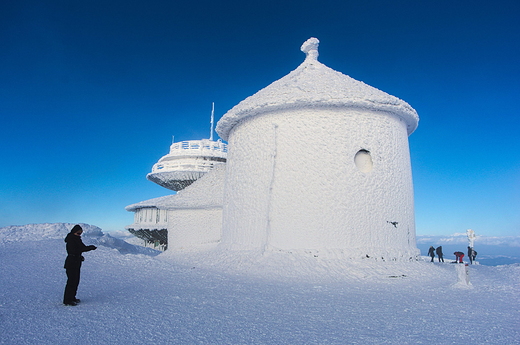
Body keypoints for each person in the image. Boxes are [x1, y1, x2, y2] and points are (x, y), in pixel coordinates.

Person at [63, 225, 97, 306]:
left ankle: (72, 297)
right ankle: (67, 300)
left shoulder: (77, 239)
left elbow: (81, 249)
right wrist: (90, 248)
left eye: (80, 233)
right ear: (74, 232)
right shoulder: (71, 239)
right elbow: (75, 250)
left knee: (75, 281)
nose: (79, 234)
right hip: (71, 262)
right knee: (71, 281)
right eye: (78, 233)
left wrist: (80, 256)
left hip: (76, 262)